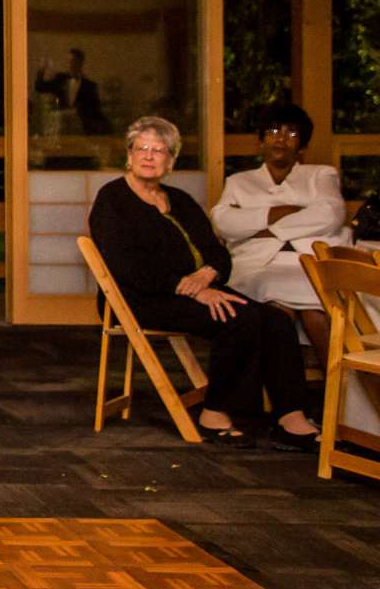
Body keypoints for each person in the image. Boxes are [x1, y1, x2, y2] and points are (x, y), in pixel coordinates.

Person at [88, 117, 319, 450]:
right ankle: (215, 411)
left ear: (171, 160)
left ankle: (291, 416)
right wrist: (189, 286)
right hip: (140, 297)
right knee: (238, 319)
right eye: (143, 149)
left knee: (276, 321)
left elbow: (218, 252)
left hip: (193, 289)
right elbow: (128, 266)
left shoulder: (180, 200)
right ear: (129, 154)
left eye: (160, 150)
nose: (150, 156)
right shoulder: (113, 200)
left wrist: (207, 274)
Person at [210, 102, 345, 360]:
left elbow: (330, 213)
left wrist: (266, 230)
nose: (281, 139)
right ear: (261, 142)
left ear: (302, 145)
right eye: (272, 131)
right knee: (277, 315)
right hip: (258, 265)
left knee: (316, 316)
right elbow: (224, 222)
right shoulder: (239, 181)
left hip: (308, 263)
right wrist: (282, 212)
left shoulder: (320, 175)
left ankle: (338, 393)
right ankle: (286, 395)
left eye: (291, 133)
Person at [37, 47, 111, 135]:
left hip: (82, 131)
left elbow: (96, 111)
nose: (71, 64)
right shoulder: (60, 79)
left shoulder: (89, 86)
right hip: (61, 129)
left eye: (74, 61)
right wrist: (41, 70)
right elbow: (40, 87)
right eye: (69, 61)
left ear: (80, 63)